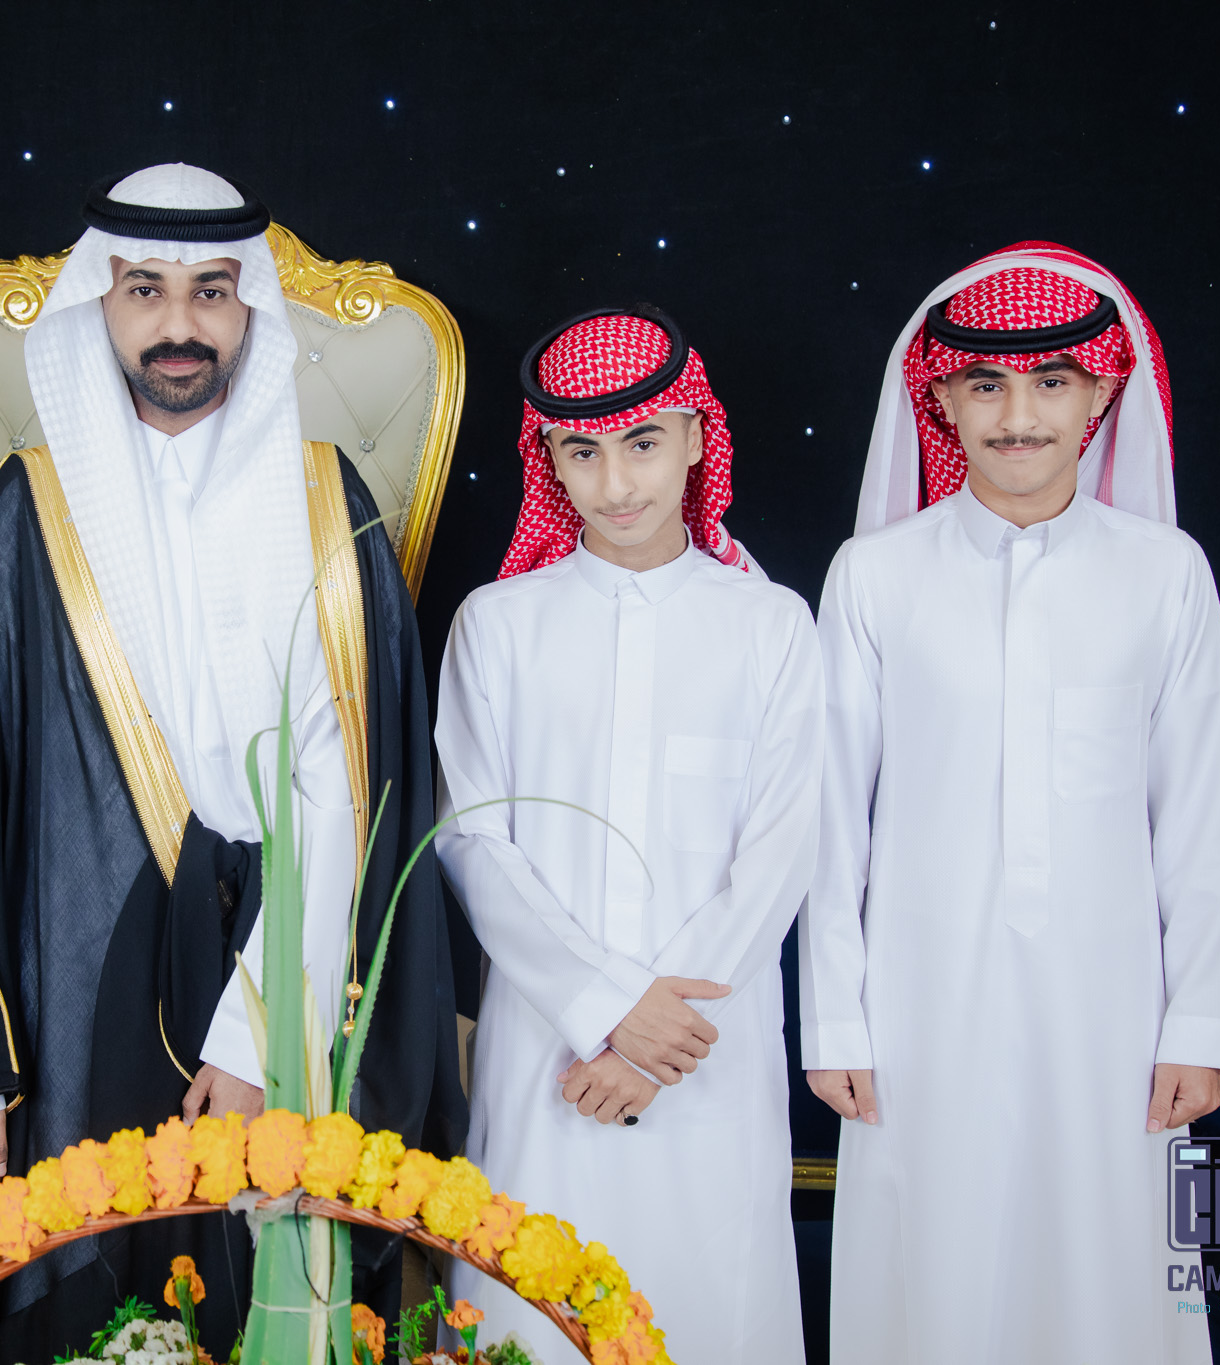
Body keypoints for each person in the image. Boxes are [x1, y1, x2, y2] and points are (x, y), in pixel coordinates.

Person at [0, 163, 466, 1362]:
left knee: (268, 1293)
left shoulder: (325, 500)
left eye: (211, 290)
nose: (178, 324)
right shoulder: (21, 510)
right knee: (82, 1293)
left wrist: (255, 1038)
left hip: (284, 977)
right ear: (95, 306)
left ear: (250, 305)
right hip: (69, 984)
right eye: (143, 290)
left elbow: (344, 792)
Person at [801, 242, 1220, 1364]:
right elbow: (828, 817)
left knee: (1113, 1268)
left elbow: (1200, 816)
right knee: (930, 1270)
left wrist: (1199, 1023)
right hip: (915, 999)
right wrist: (834, 1018)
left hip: (1115, 1006)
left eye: (1051, 382)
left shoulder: (1166, 572)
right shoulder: (874, 574)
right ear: (942, 399)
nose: (1018, 415)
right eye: (985, 384)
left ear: (1100, 395)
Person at [435, 307, 818, 1364]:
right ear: (549, 459)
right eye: (582, 452)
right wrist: (605, 1009)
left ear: (695, 437)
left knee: (710, 1310)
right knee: (528, 1311)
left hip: (707, 1053)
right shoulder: (497, 624)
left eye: (643, 442)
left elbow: (782, 850)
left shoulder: (771, 623)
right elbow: (473, 842)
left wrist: (657, 1038)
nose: (615, 483)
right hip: (545, 1048)